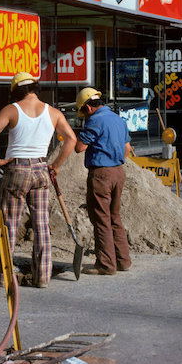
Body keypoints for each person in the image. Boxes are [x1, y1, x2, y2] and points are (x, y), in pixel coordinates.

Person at [0, 72, 76, 288]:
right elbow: (71, 139)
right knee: (42, 224)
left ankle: (1, 275)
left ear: (16, 91)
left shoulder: (12, 110)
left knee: (9, 224)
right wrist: (56, 165)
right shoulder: (53, 112)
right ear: (36, 88)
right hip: (41, 168)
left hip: (17, 168)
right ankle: (42, 277)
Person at [74, 88, 132, 275]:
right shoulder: (118, 119)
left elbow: (79, 147)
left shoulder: (95, 121)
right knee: (114, 217)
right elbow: (127, 149)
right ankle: (123, 261)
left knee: (101, 219)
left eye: (83, 112)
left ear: (89, 107)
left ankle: (106, 265)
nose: (84, 116)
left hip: (101, 174)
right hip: (118, 172)